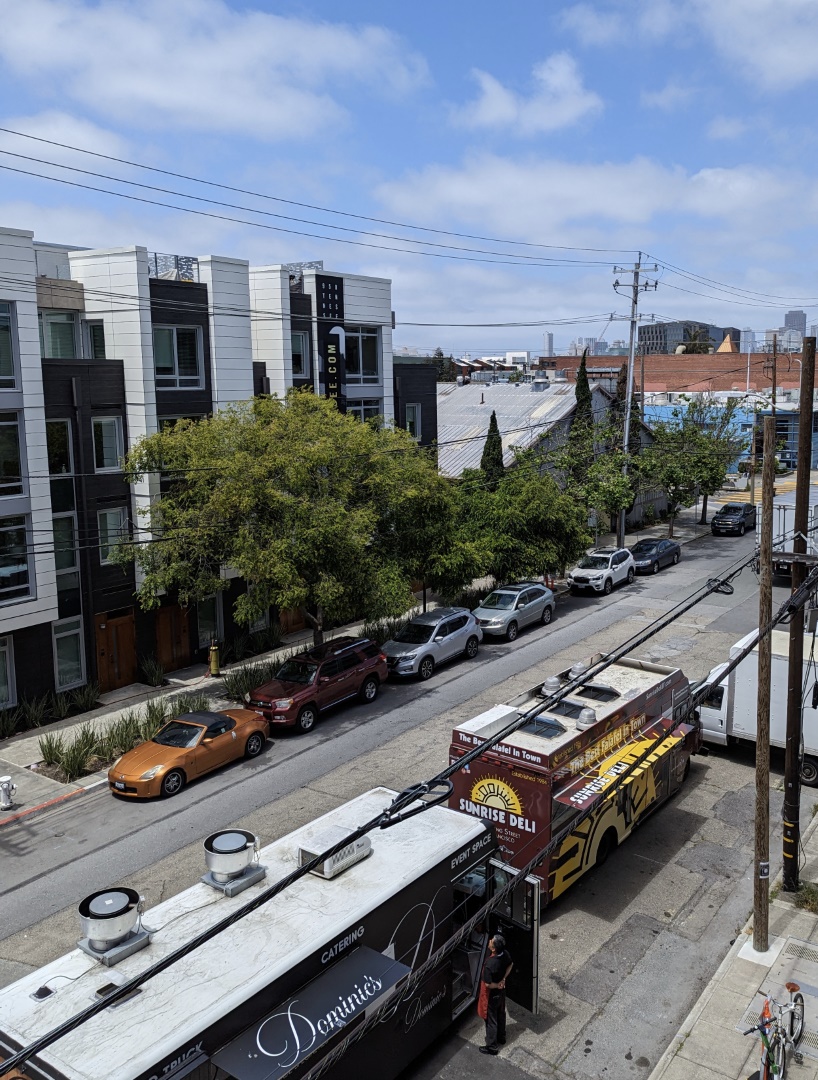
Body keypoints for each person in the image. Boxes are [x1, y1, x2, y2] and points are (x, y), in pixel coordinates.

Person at [480, 933, 513, 1055]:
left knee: (491, 1020)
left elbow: (488, 984)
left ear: (493, 949)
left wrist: (497, 984)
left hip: (492, 994)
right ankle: (501, 1037)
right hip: (501, 992)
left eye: (491, 941)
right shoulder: (505, 954)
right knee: (501, 1013)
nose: (489, 941)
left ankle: (492, 1047)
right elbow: (511, 965)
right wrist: (503, 979)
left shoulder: (490, 964)